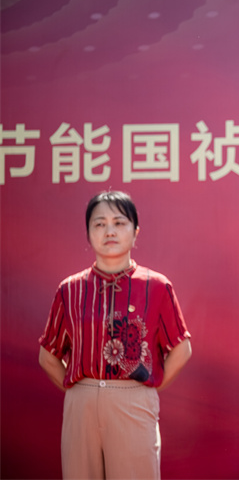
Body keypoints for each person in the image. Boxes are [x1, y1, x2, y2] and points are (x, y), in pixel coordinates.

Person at [39, 190, 192, 479]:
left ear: (135, 232)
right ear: (88, 233)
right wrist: (80, 391)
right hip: (80, 404)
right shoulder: (69, 290)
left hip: (134, 400)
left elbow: (181, 349)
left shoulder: (157, 287)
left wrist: (146, 389)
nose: (109, 231)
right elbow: (48, 355)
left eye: (119, 223)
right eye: (99, 224)